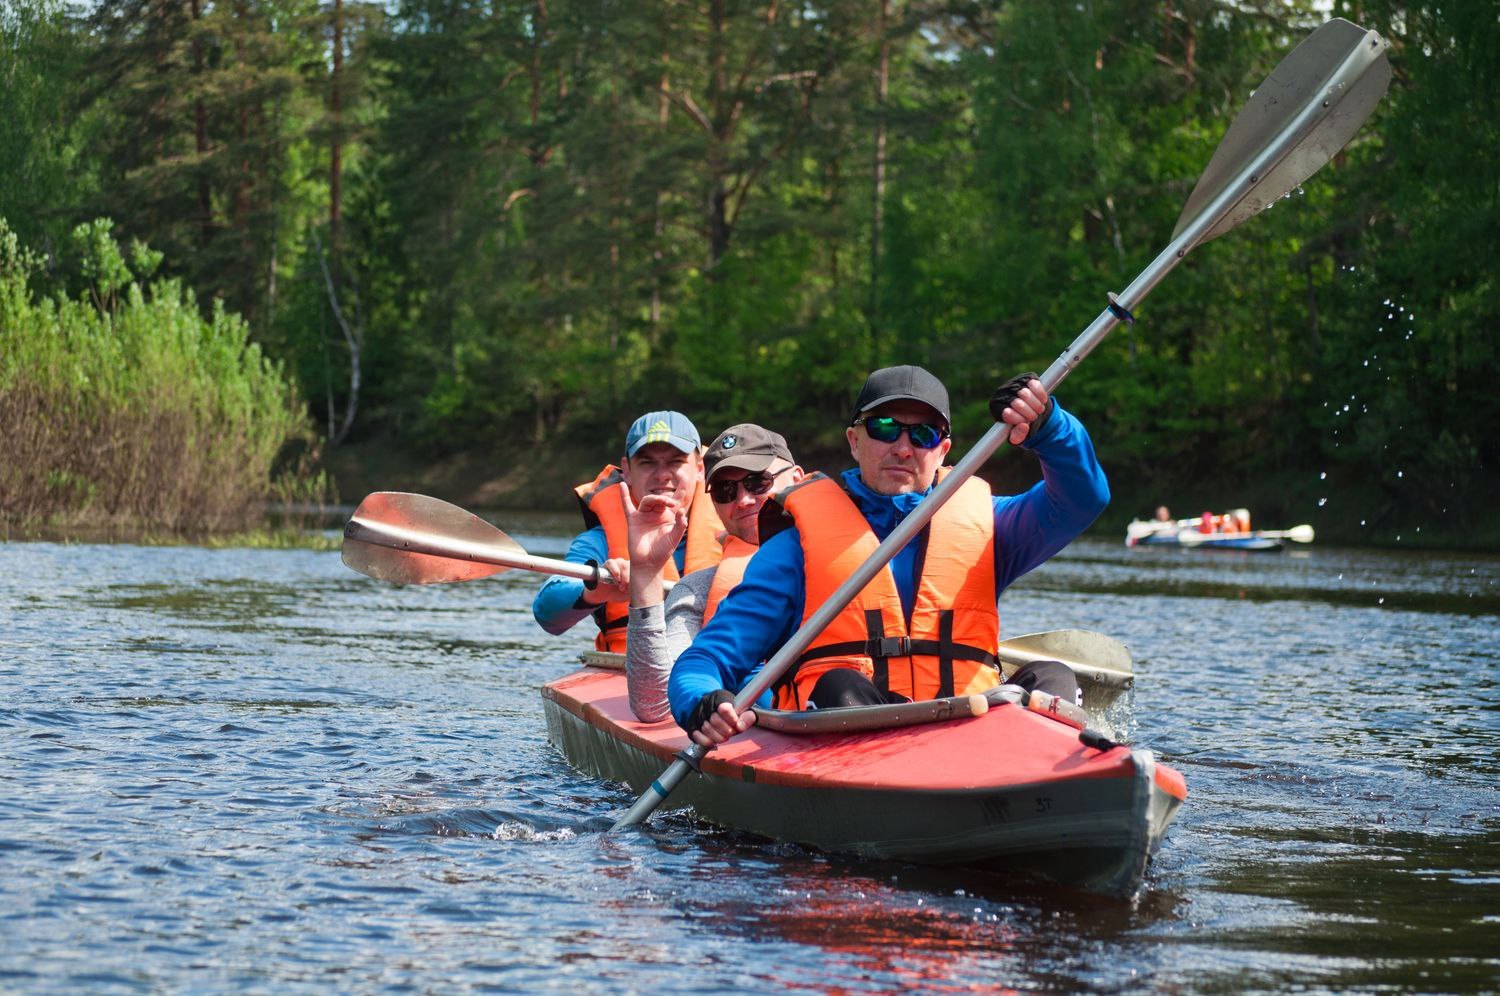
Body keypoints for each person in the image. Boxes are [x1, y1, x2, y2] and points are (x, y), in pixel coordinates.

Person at [668, 365, 1110, 748]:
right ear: (854, 441)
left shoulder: (991, 527)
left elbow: (1081, 498)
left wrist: (1052, 428)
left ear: (942, 450)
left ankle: (1054, 783)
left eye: (922, 434)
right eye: (883, 428)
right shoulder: (795, 547)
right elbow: (705, 662)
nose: (902, 447)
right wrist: (705, 703)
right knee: (838, 687)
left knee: (1052, 678)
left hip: (972, 734)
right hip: (855, 739)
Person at [621, 424, 804, 722]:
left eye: (758, 482)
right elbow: (655, 707)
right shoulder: (697, 590)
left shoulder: (866, 552)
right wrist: (644, 572)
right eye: (725, 491)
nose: (743, 500)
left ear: (796, 479)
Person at [531, 411, 722, 652]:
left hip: (719, 670)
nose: (662, 475)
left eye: (676, 462)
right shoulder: (599, 542)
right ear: (627, 471)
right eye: (647, 462)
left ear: (700, 468)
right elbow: (547, 614)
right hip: (632, 671)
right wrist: (595, 591)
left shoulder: (737, 526)